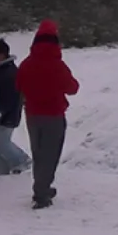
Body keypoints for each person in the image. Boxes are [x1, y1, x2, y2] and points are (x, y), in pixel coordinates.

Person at [17, 20, 80, 209]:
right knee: (50, 154)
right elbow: (73, 88)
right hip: (54, 114)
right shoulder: (58, 65)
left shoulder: (26, 64)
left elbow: (18, 86)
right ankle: (42, 191)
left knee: (38, 153)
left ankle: (41, 186)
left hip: (33, 114)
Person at [0, 38, 31, 175]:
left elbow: (10, 96)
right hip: (2, 113)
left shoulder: (8, 73)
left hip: (8, 113)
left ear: (0, 55)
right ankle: (3, 168)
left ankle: (22, 160)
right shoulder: (1, 70)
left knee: (1, 142)